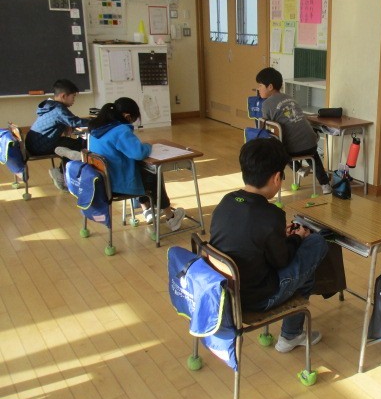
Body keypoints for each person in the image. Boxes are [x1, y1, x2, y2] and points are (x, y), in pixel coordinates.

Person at [209, 137, 328, 353]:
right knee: (316, 243)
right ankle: (291, 334)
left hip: (224, 293)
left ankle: (292, 332)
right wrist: (296, 238)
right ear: (276, 178)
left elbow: (245, 237)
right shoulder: (271, 215)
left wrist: (277, 237)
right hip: (256, 299)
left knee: (305, 272)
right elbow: (282, 261)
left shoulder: (227, 201)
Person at [87, 97, 185, 231]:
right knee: (154, 174)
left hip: (103, 182)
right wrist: (148, 146)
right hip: (118, 185)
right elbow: (138, 153)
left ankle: (147, 210)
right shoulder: (120, 131)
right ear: (127, 116)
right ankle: (171, 217)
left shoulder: (97, 129)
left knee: (142, 170)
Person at [256, 67, 332, 195]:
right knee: (314, 158)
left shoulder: (266, 104)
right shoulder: (290, 98)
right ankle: (325, 185)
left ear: (270, 87)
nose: (258, 88)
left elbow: (265, 127)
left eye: (260, 85)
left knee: (279, 151)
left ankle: (298, 169)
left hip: (292, 150)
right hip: (311, 142)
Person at [25, 79, 90, 190]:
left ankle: (62, 169)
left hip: (35, 143)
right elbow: (74, 121)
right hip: (42, 146)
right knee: (80, 146)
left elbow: (66, 121)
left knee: (71, 144)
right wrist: (96, 121)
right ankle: (61, 173)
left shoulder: (50, 105)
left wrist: (66, 125)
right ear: (64, 96)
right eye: (73, 97)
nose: (74, 100)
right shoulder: (59, 108)